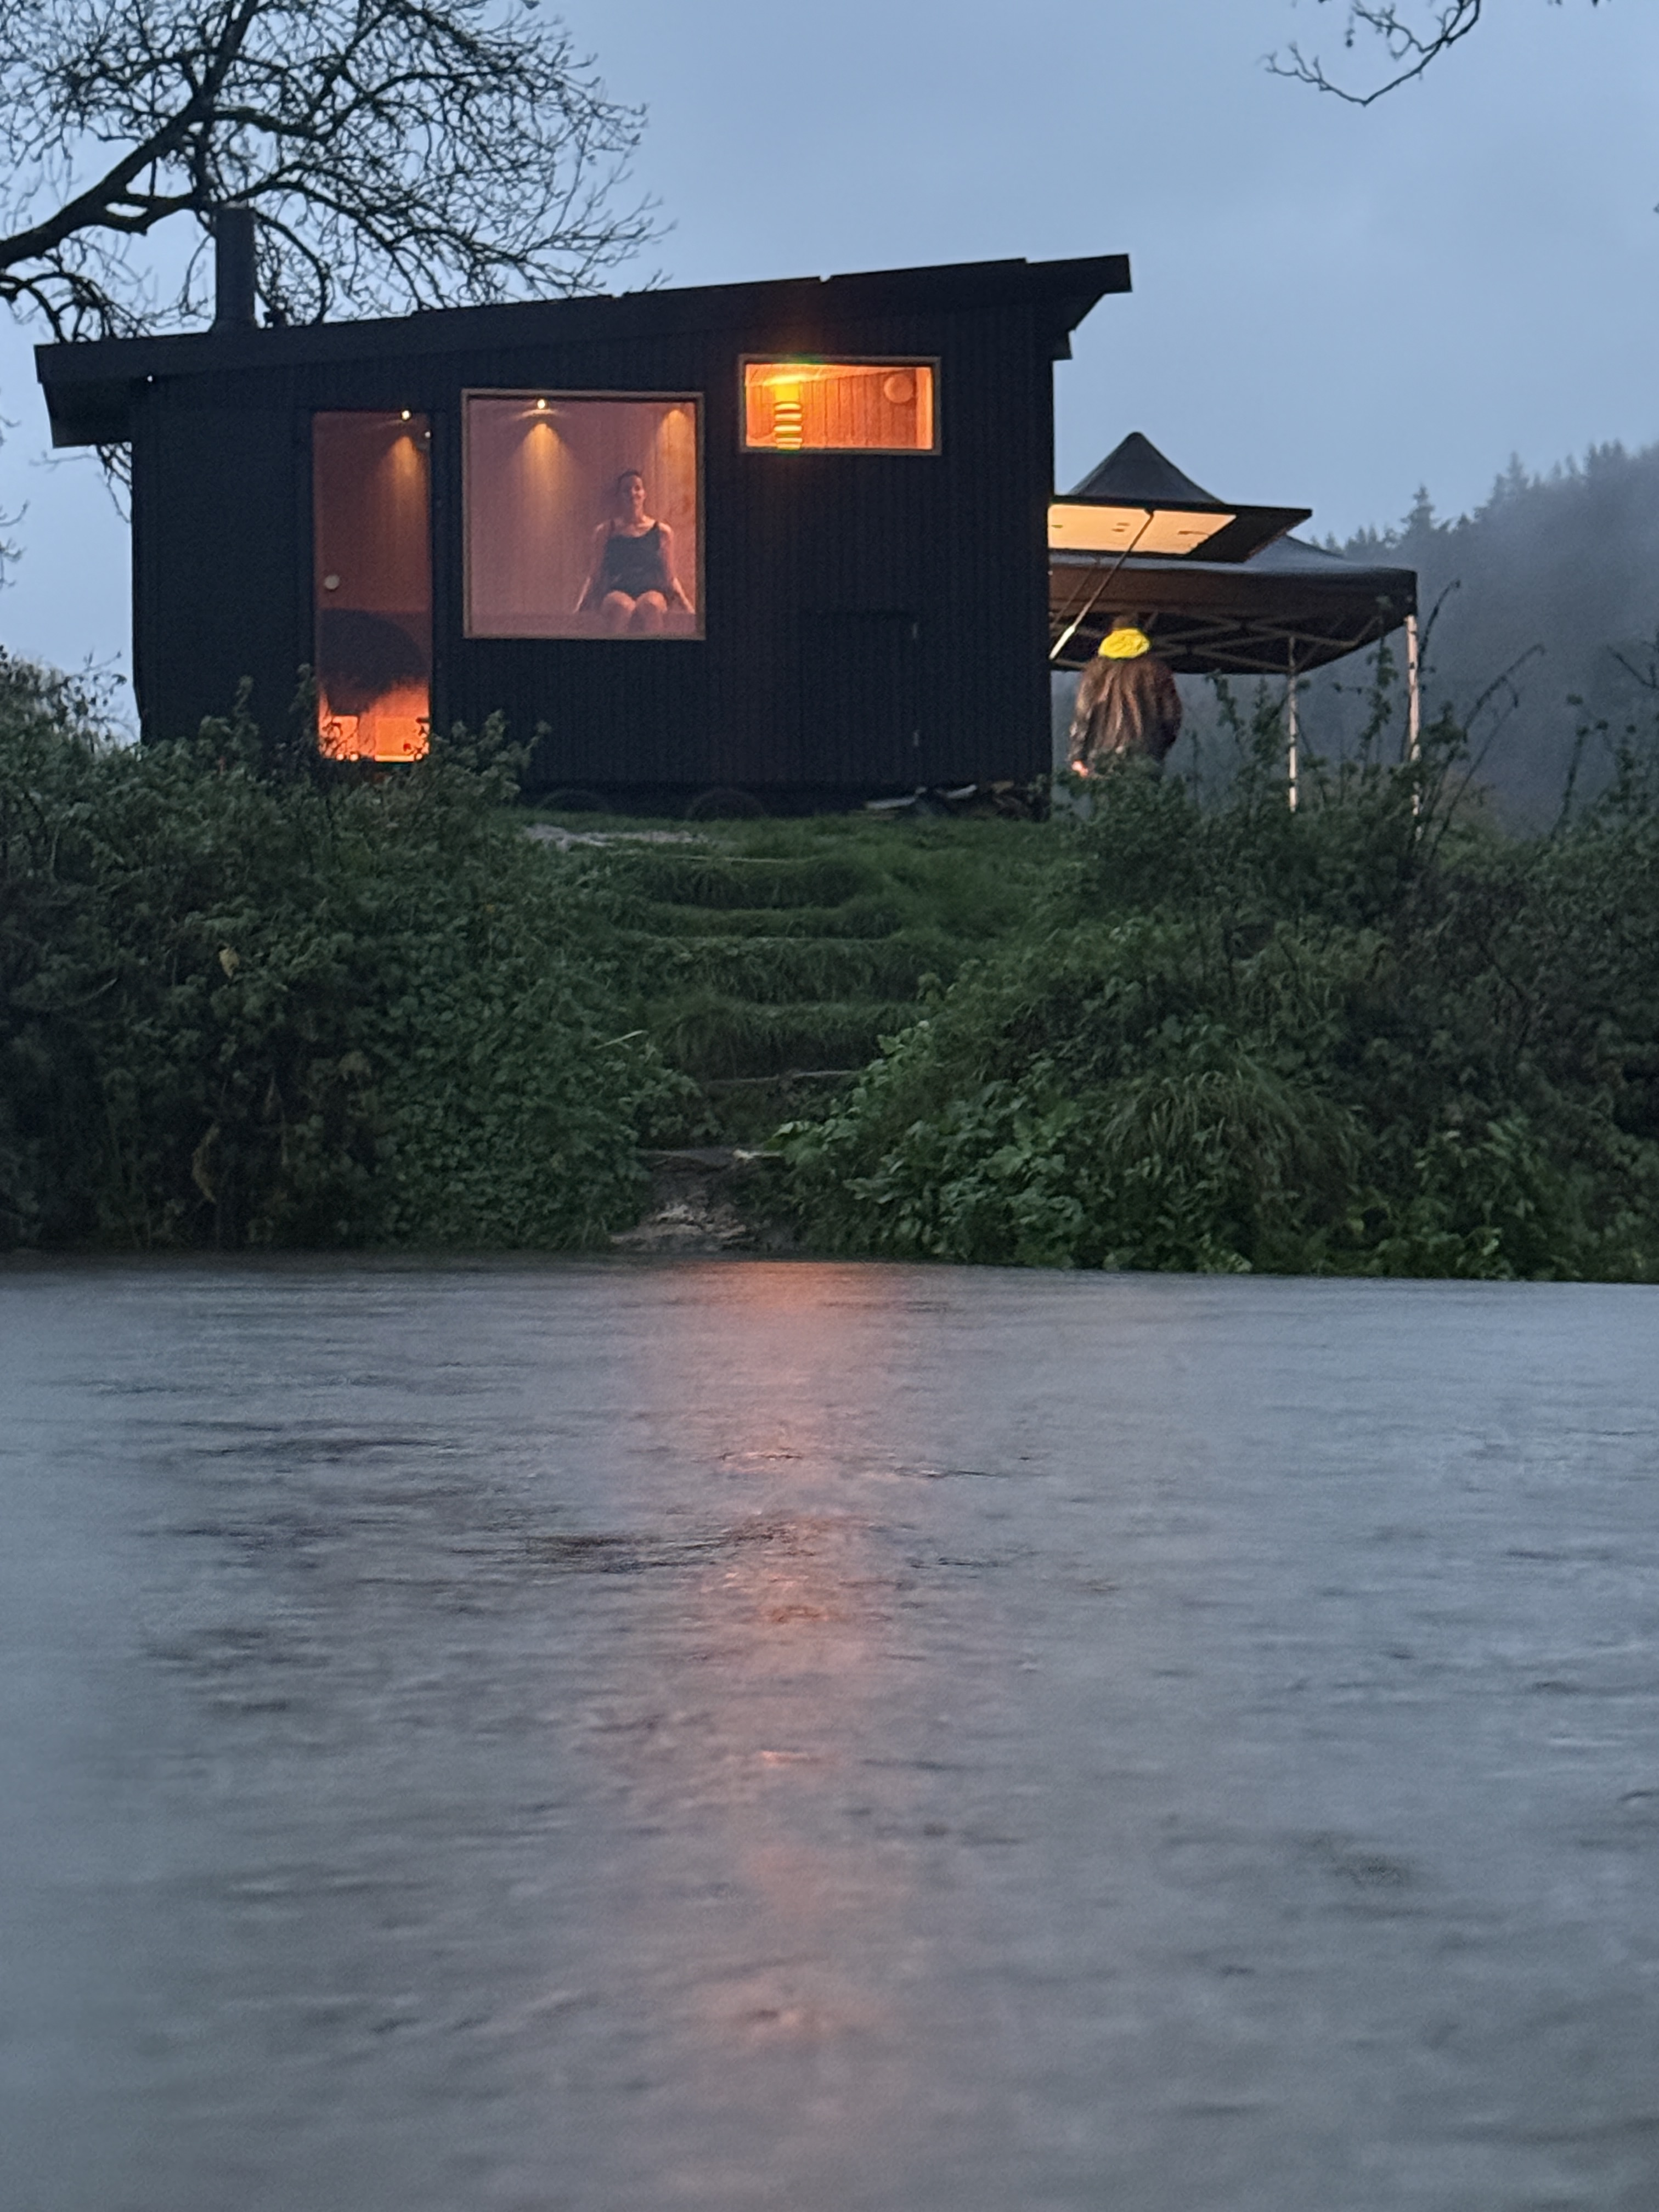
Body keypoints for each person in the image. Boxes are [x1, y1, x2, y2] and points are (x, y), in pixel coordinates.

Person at [574, 469, 695, 635]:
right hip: (616, 591)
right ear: (619, 496)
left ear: (644, 494)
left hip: (652, 590)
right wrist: (579, 608)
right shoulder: (605, 531)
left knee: (651, 605)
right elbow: (594, 575)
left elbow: (670, 577)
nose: (632, 493)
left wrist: (687, 606)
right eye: (626, 490)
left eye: (637, 488)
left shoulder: (661, 531)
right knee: (622, 607)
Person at [1069, 619, 1182, 772]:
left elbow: (1083, 714)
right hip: (1144, 757)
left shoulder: (1093, 671)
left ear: (1112, 636)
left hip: (1101, 758)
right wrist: (1158, 747)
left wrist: (1077, 755)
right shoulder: (1156, 670)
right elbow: (1171, 716)